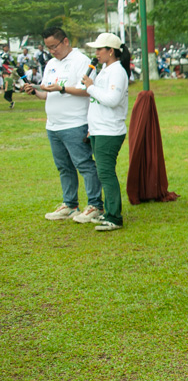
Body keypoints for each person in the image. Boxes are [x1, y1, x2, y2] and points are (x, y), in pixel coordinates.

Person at [24, 27, 104, 223]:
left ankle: (95, 205)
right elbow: (47, 93)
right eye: (48, 47)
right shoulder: (51, 64)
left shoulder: (81, 61)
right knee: (64, 167)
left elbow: (87, 90)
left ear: (65, 41)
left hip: (75, 122)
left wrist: (61, 88)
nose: (52, 51)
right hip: (53, 125)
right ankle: (70, 205)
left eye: (55, 46)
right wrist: (34, 91)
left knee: (84, 164)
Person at [81, 33, 130, 232]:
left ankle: (114, 217)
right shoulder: (104, 70)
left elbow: (112, 100)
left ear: (111, 51)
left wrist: (91, 88)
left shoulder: (117, 72)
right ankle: (109, 211)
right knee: (103, 173)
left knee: (106, 173)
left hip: (109, 131)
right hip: (99, 129)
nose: (96, 53)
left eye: (100, 49)